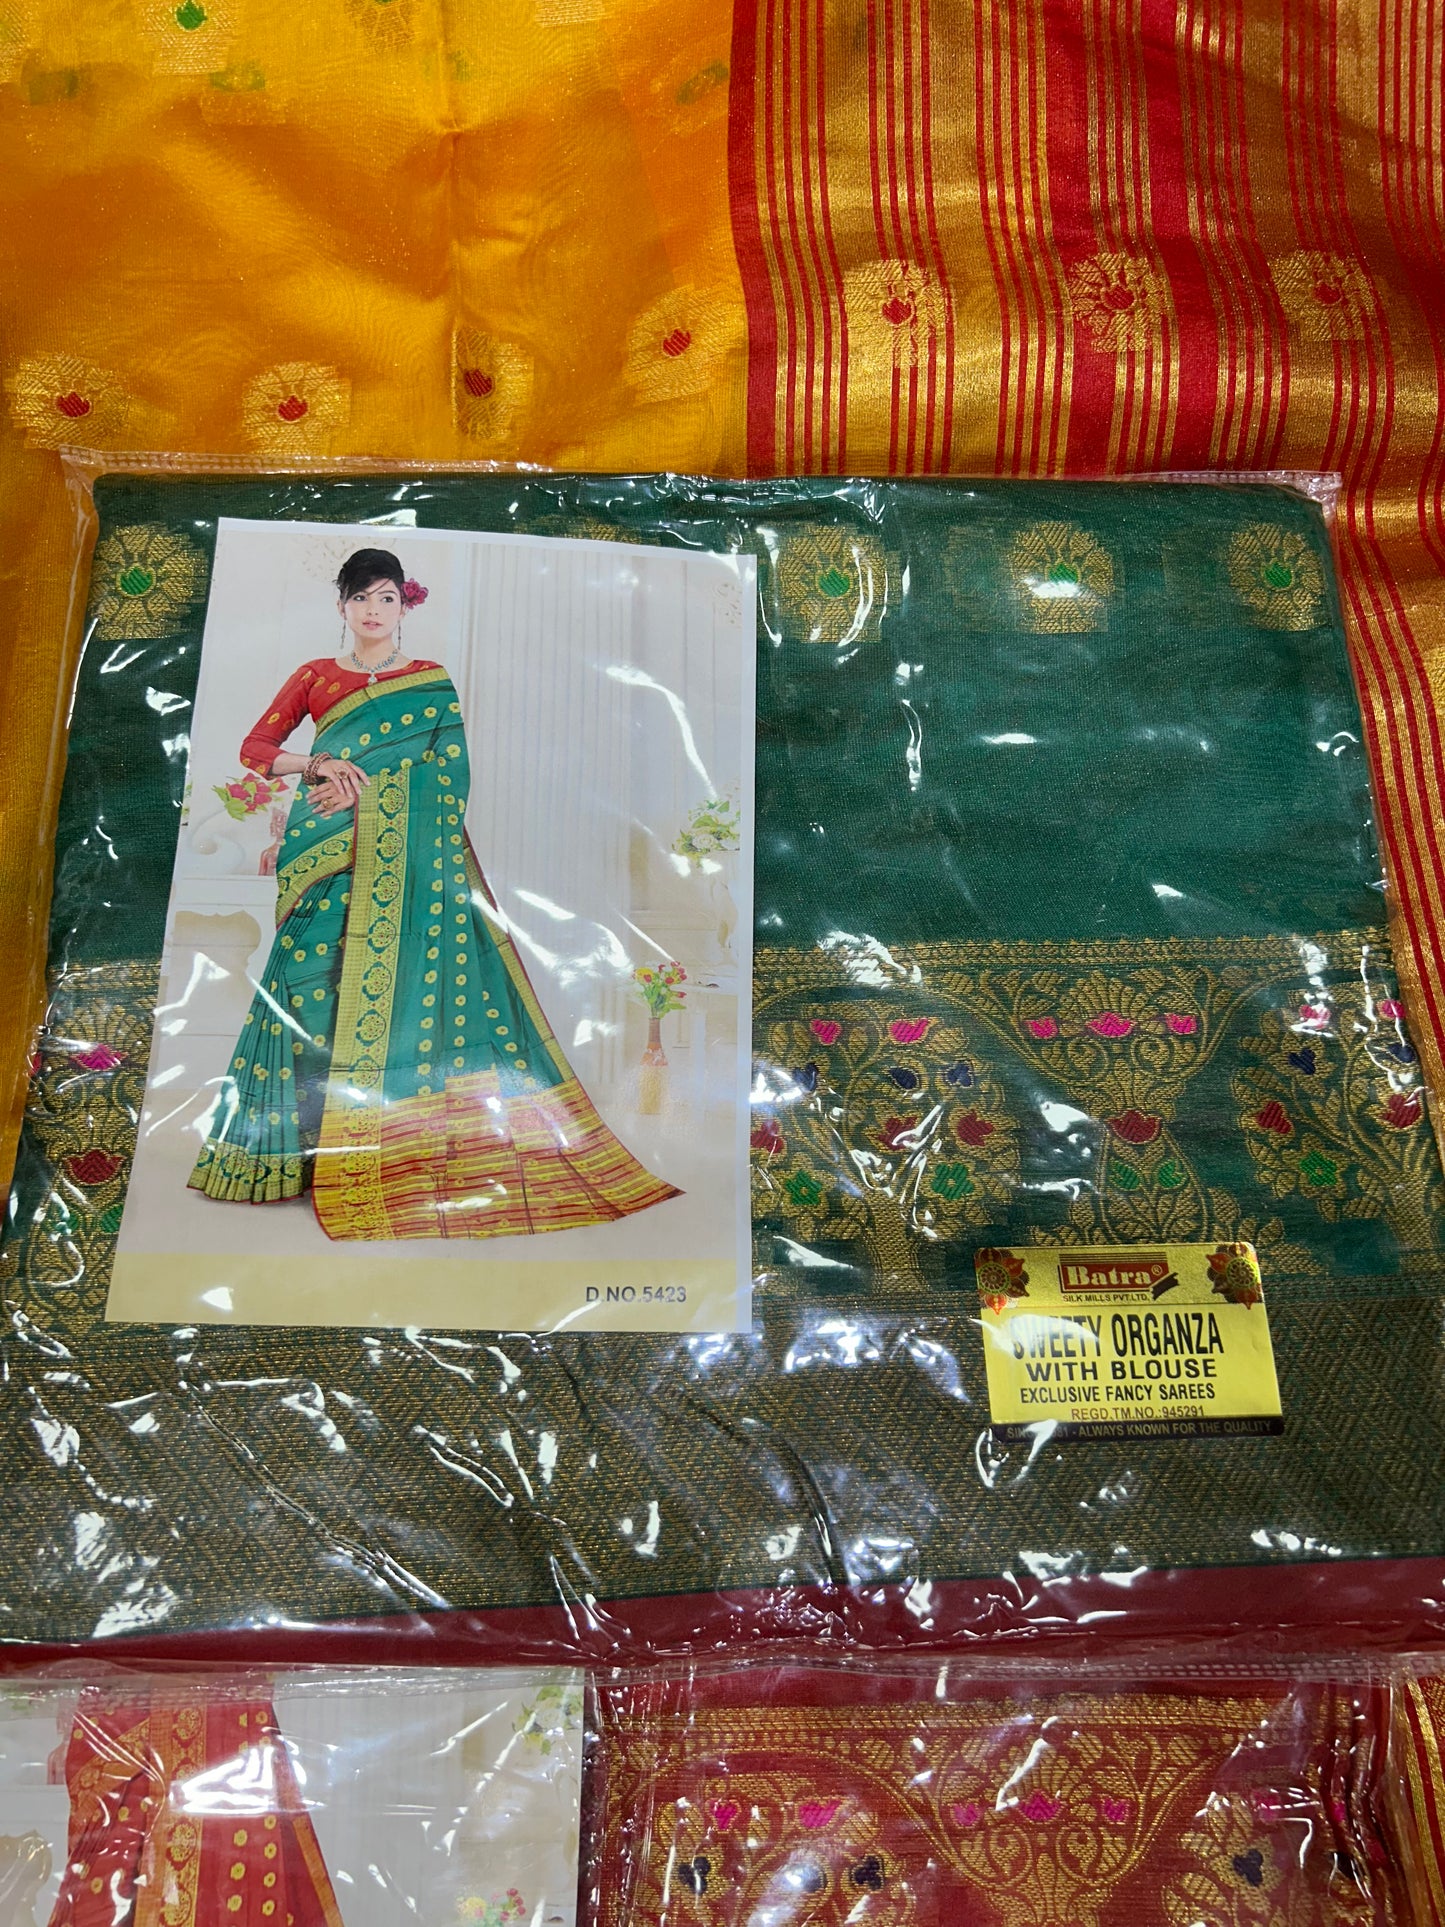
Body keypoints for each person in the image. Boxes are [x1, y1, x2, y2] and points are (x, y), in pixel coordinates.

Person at [189, 547, 680, 1240]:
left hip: (396, 853)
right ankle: (291, 1157)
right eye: (360, 597)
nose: (373, 610)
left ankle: (377, 1147)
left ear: (404, 605)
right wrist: (319, 762)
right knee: (305, 989)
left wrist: (370, 799)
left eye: (386, 597)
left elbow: (450, 774)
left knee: (370, 987)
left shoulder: (429, 680)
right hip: (320, 847)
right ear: (341, 605)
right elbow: (257, 748)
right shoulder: (315, 675)